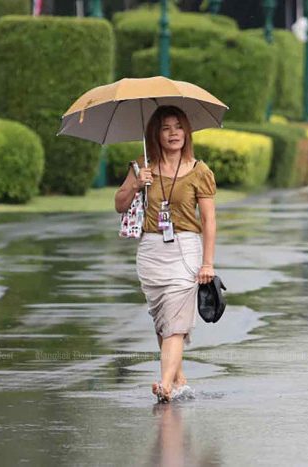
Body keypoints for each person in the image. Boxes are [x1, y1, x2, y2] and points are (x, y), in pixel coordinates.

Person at [114, 105, 217, 403]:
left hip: (186, 249)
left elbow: (209, 220)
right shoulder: (141, 166)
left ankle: (165, 385)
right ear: (155, 135)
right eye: (165, 128)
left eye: (178, 127)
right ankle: (179, 378)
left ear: (187, 131)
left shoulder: (200, 171)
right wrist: (135, 183)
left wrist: (207, 262)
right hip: (150, 250)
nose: (173, 134)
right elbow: (120, 204)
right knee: (162, 319)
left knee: (175, 321)